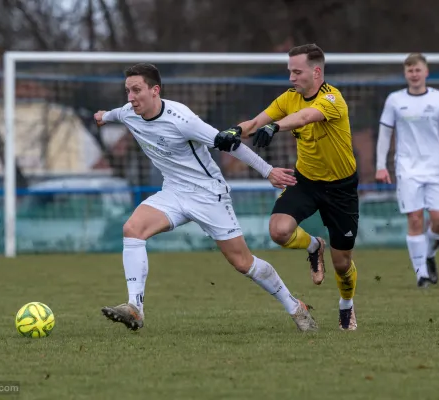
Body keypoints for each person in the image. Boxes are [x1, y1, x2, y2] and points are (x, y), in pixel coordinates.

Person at [93, 63, 317, 332]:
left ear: (155, 90)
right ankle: (135, 308)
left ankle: (295, 307)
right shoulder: (130, 112)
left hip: (209, 195)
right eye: (127, 90)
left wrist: (268, 171)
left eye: (137, 90)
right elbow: (115, 114)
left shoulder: (183, 120)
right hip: (174, 193)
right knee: (132, 229)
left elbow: (229, 143)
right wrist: (103, 116)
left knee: (243, 263)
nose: (131, 97)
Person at [231, 44, 359, 331]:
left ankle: (346, 305)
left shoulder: (332, 99)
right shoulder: (289, 98)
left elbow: (304, 117)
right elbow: (254, 122)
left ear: (316, 72)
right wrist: (235, 131)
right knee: (278, 231)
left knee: (342, 265)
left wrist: (275, 128)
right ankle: (314, 246)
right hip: (306, 181)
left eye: (297, 71)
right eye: (289, 71)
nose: (291, 77)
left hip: (341, 188)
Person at [375, 53, 439, 288]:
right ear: (405, 74)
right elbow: (385, 133)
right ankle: (421, 274)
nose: (414, 74)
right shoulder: (394, 100)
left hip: (435, 168)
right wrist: (381, 166)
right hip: (407, 168)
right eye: (410, 70)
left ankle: (429, 254)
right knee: (415, 218)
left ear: (426, 72)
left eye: (418, 70)